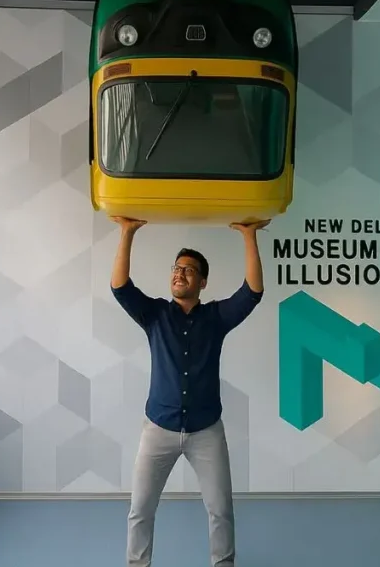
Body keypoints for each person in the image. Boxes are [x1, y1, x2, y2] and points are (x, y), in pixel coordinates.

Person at [110, 215, 269, 567]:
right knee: (139, 510)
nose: (180, 273)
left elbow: (253, 292)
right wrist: (127, 231)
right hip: (158, 430)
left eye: (189, 270)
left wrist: (248, 235)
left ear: (203, 281)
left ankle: (222, 564)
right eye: (176, 268)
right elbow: (120, 287)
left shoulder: (216, 318)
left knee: (221, 510)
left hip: (206, 432)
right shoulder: (154, 314)